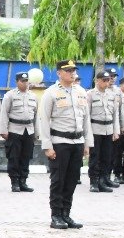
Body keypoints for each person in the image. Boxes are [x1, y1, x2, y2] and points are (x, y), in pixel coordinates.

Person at [36, 60, 91, 229]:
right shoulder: (51, 93)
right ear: (59, 73)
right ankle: (56, 215)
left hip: (77, 142)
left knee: (72, 180)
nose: (72, 73)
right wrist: (47, 146)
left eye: (73, 70)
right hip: (59, 142)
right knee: (58, 180)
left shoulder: (81, 92)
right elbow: (43, 120)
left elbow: (86, 119)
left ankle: (66, 214)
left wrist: (87, 143)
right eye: (68, 70)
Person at [0, 71, 37, 192]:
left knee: (26, 156)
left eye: (27, 81)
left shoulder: (33, 96)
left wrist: (37, 132)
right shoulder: (10, 95)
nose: (25, 84)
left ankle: (23, 181)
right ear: (17, 82)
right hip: (15, 129)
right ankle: (14, 182)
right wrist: (3, 130)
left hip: (28, 130)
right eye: (23, 81)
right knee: (14, 157)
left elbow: (36, 115)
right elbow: (4, 113)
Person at [86, 70, 118, 192]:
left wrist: (116, 131)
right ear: (97, 81)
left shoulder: (112, 95)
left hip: (108, 129)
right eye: (104, 80)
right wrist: (87, 133)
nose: (106, 82)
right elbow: (87, 115)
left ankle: (103, 180)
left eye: (108, 80)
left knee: (106, 157)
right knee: (95, 157)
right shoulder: (90, 94)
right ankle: (93, 182)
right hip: (95, 129)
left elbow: (115, 115)